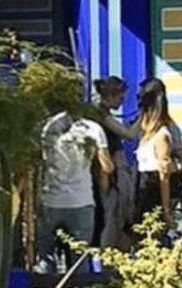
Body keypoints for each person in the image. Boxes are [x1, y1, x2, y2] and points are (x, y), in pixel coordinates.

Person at [36, 104, 111, 273]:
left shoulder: (46, 127)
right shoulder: (93, 128)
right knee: (79, 263)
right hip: (82, 202)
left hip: (50, 201)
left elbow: (34, 163)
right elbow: (107, 166)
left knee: (45, 260)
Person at [131, 78, 182, 233]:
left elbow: (164, 175)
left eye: (141, 99)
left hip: (153, 188)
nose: (138, 104)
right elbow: (128, 133)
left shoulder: (163, 133)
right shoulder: (145, 128)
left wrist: (166, 210)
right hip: (141, 185)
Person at [94, 76, 135, 249]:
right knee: (112, 217)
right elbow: (128, 134)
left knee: (119, 217)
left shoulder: (104, 113)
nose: (123, 101)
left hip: (114, 174)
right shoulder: (101, 114)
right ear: (110, 96)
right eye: (120, 97)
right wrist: (144, 115)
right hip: (110, 176)